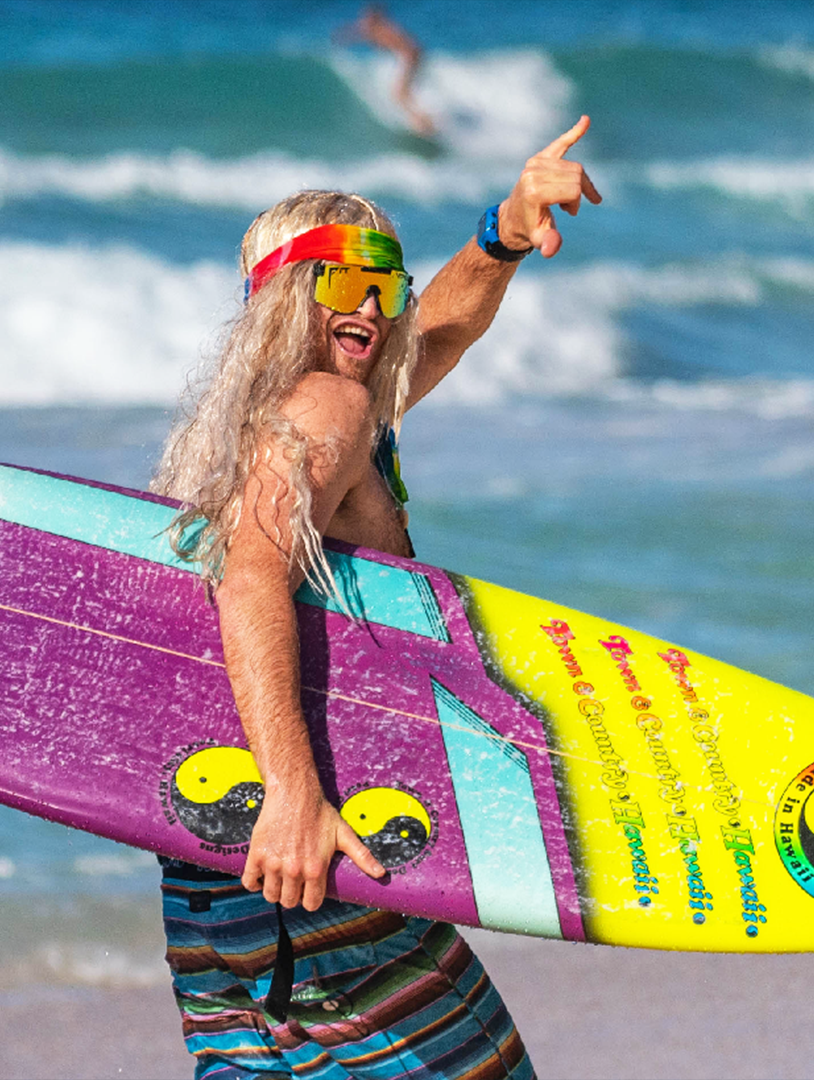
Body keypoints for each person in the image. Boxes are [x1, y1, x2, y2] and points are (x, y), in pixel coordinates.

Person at [151, 115, 601, 1079]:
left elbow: (442, 328)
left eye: (385, 285)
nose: (377, 306)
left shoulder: (271, 428)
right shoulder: (329, 410)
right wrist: (295, 797)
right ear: (282, 299)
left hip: (216, 881)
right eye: (344, 282)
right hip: (316, 845)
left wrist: (504, 233)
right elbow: (252, 574)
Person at [335, 4, 437, 137]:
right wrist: (342, 37)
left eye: (366, 18)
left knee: (398, 93)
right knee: (404, 92)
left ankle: (425, 123)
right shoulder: (375, 30)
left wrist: (410, 60)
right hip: (410, 57)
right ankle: (425, 120)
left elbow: (410, 45)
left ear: (374, 18)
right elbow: (356, 32)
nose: (362, 21)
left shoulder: (384, 30)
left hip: (408, 57)